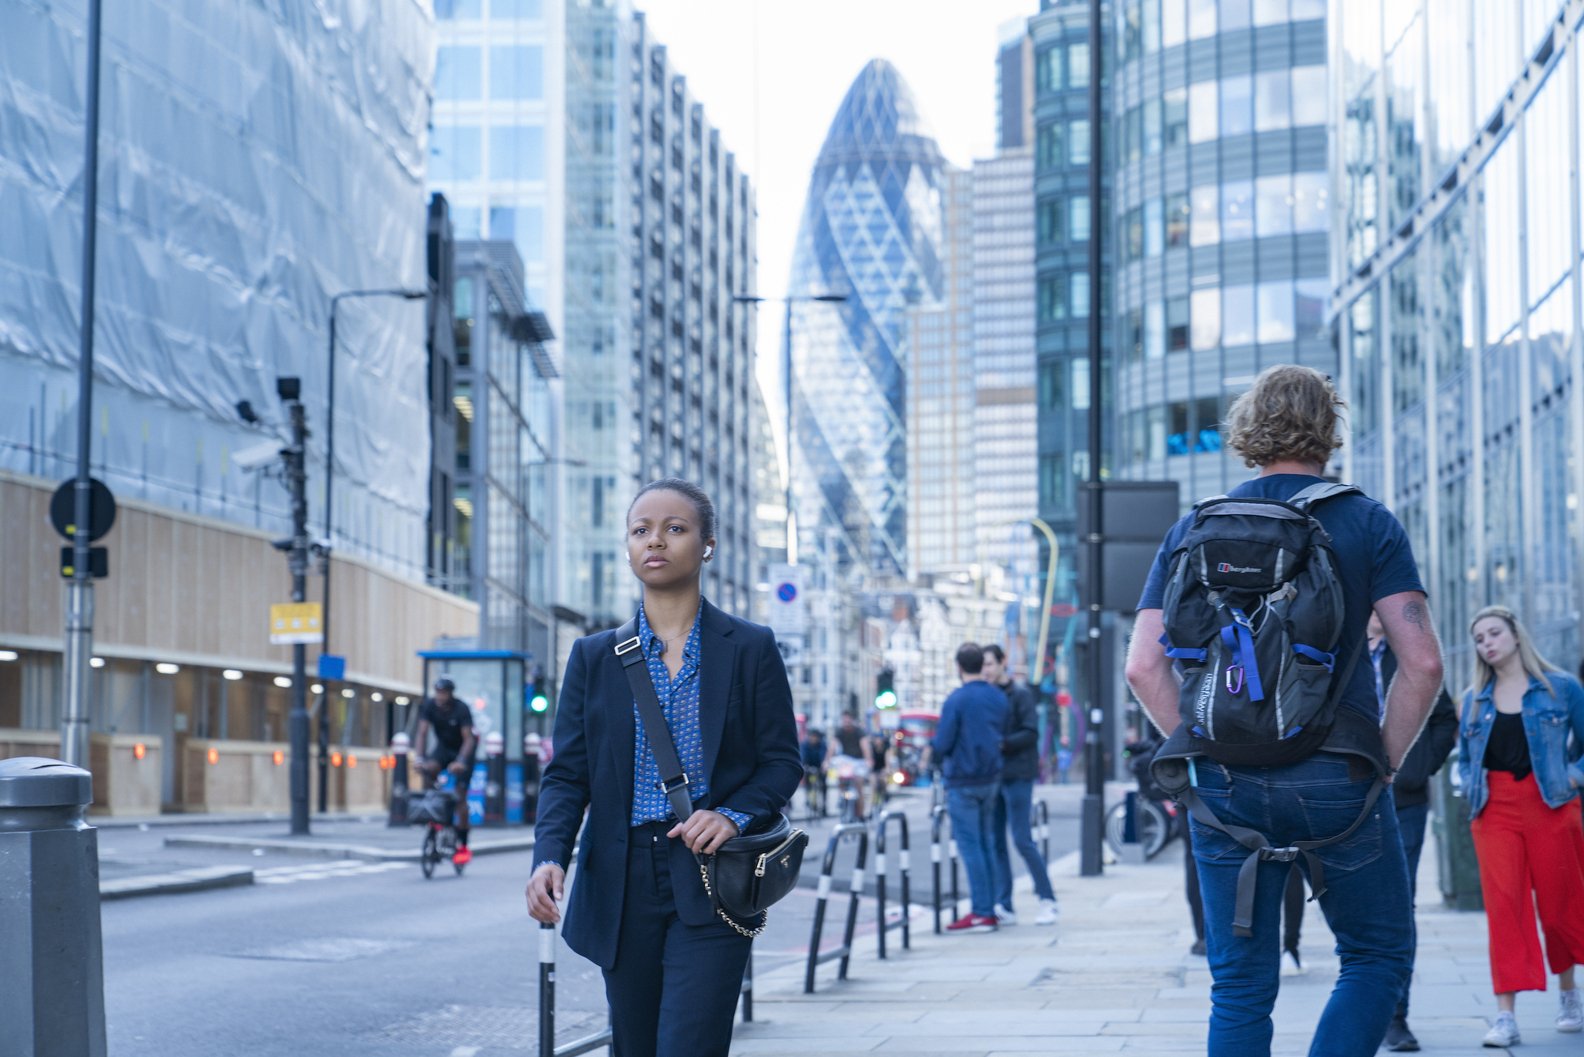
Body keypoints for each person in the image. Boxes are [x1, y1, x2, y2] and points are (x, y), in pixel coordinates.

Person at [1125, 364, 1444, 1057]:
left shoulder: (1195, 526)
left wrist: (1203, 740)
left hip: (1225, 782)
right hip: (1340, 772)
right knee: (1376, 955)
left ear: (1248, 428)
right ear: (1329, 427)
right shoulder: (1366, 521)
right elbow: (1423, 663)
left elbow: (1142, 665)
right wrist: (1383, 759)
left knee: (1238, 986)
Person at [524, 478, 802, 1057]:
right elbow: (567, 774)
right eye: (641, 530)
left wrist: (730, 814)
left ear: (707, 545)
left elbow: (781, 763)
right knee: (635, 1046)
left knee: (690, 1046)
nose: (656, 540)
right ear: (627, 548)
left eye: (675, 529)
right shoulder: (595, 656)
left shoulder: (749, 646)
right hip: (620, 882)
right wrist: (550, 857)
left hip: (711, 876)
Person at [1457, 605, 1584, 1048]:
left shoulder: (1561, 688)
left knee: (1559, 904)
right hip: (1494, 810)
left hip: (1549, 802)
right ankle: (1505, 1015)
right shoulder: (1473, 698)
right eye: (1479, 638)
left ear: (1515, 635)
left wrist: (1574, 777)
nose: (1487, 643)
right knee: (1504, 909)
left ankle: (1569, 995)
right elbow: (1465, 759)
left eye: (1494, 633)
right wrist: (1466, 788)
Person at [1371, 610, 1458, 1051]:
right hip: (1345, 801)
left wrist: (1419, 766)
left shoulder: (1408, 657)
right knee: (1356, 912)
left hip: (1403, 801)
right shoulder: (1336, 653)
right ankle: (1366, 1004)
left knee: (1399, 906)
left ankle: (1395, 1016)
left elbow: (1444, 718)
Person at [931, 642, 1010, 933]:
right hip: (992, 778)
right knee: (988, 843)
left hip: (963, 780)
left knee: (970, 845)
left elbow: (943, 742)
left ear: (959, 667)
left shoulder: (957, 699)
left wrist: (934, 753)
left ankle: (981, 911)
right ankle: (991, 907)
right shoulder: (997, 697)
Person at [982, 643, 1058, 927]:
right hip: (994, 777)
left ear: (1003, 662)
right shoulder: (987, 695)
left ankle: (1048, 900)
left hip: (1018, 775)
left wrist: (1001, 743)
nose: (986, 670)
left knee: (1023, 839)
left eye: (990, 664)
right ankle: (1005, 905)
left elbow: (1030, 732)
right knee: (995, 842)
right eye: (983, 665)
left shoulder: (1021, 694)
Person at [414, 676, 476, 864]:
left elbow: (469, 739)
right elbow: (422, 733)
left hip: (462, 752)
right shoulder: (429, 706)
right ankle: (435, 820)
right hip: (443, 749)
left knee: (460, 800)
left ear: (450, 693)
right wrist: (419, 758)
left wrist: (461, 761)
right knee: (428, 770)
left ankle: (463, 846)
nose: (440, 696)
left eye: (444, 693)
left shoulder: (461, 709)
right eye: (437, 692)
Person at [827, 712, 871, 820]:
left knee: (858, 784)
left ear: (852, 720)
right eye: (844, 720)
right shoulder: (839, 731)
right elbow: (832, 748)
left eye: (848, 720)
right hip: (845, 760)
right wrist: (826, 761)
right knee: (841, 777)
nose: (846, 723)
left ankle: (861, 814)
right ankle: (842, 796)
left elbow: (865, 746)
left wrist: (868, 760)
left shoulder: (859, 732)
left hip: (859, 761)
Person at [800, 727, 827, 816]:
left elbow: (823, 756)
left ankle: (824, 806)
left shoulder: (822, 744)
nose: (814, 739)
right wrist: (804, 766)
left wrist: (823, 765)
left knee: (823, 784)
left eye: (816, 737)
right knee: (807, 783)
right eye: (812, 736)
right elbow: (803, 756)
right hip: (808, 766)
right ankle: (808, 798)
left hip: (819, 766)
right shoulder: (804, 744)